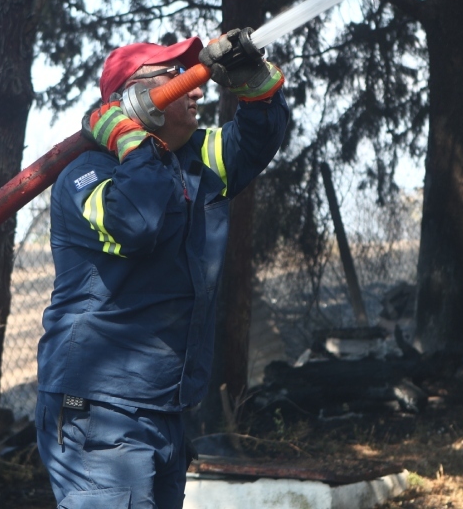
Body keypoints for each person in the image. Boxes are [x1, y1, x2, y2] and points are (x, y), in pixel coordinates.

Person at [35, 30, 289, 508]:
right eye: (176, 75)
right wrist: (132, 141)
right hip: (100, 408)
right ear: (133, 98)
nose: (196, 87)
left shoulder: (193, 160)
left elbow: (256, 140)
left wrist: (255, 84)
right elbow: (136, 222)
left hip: (166, 407)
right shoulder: (85, 175)